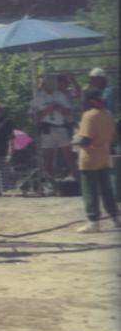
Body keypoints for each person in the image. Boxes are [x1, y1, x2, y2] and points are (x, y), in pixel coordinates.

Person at [74, 89, 119, 233]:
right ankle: (115, 218)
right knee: (107, 191)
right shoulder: (108, 114)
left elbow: (86, 140)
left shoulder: (89, 116)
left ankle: (93, 222)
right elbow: (112, 136)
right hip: (104, 157)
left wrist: (76, 140)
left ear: (90, 101)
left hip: (89, 160)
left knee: (90, 192)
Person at [31, 75, 75, 179]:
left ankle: (75, 177)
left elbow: (68, 112)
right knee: (48, 158)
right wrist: (47, 109)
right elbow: (33, 117)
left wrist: (58, 107)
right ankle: (50, 182)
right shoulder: (38, 97)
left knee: (69, 156)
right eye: (46, 83)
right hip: (47, 129)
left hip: (61, 127)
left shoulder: (60, 95)